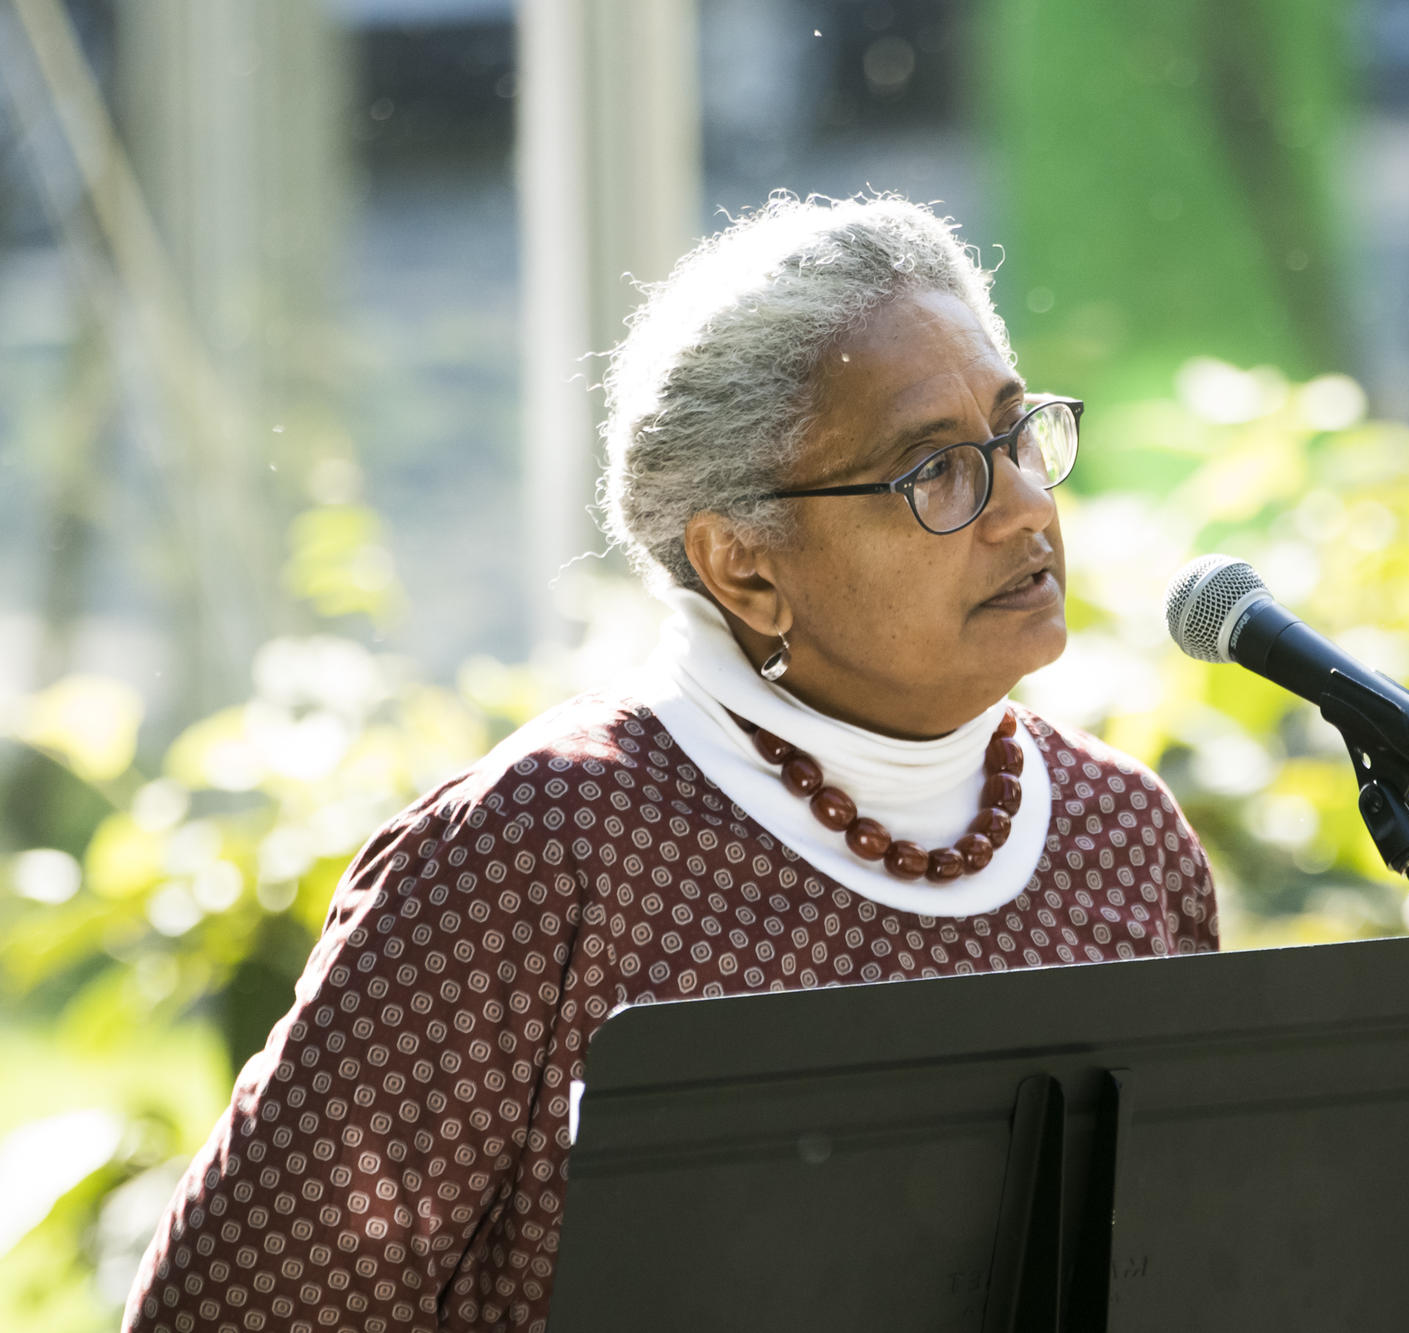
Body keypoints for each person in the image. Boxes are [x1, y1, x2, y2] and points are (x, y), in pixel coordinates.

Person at [123, 193, 1219, 1333]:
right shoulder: (542, 849)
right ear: (743, 566)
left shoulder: (1119, 835)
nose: (1022, 505)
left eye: (1013, 432)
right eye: (933, 471)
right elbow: (234, 1313)